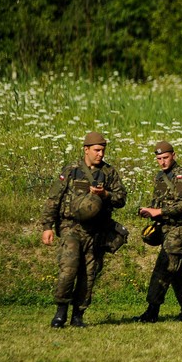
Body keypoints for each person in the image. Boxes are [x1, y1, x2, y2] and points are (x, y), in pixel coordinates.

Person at [41, 131, 127, 327]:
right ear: (86, 150)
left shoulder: (109, 173)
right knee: (68, 270)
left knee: (89, 274)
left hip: (96, 231)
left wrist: (105, 194)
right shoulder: (71, 170)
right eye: (97, 150)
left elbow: (121, 198)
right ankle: (60, 312)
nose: (100, 154)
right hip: (71, 227)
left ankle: (78, 315)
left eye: (103, 150)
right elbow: (54, 199)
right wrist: (47, 226)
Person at [135, 141, 182, 323]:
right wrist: (149, 210)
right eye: (159, 159)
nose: (162, 162)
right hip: (165, 228)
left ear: (173, 155)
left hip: (180, 229)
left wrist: (159, 212)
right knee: (177, 271)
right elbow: (160, 201)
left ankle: (152, 311)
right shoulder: (160, 177)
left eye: (165, 158)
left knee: (163, 267)